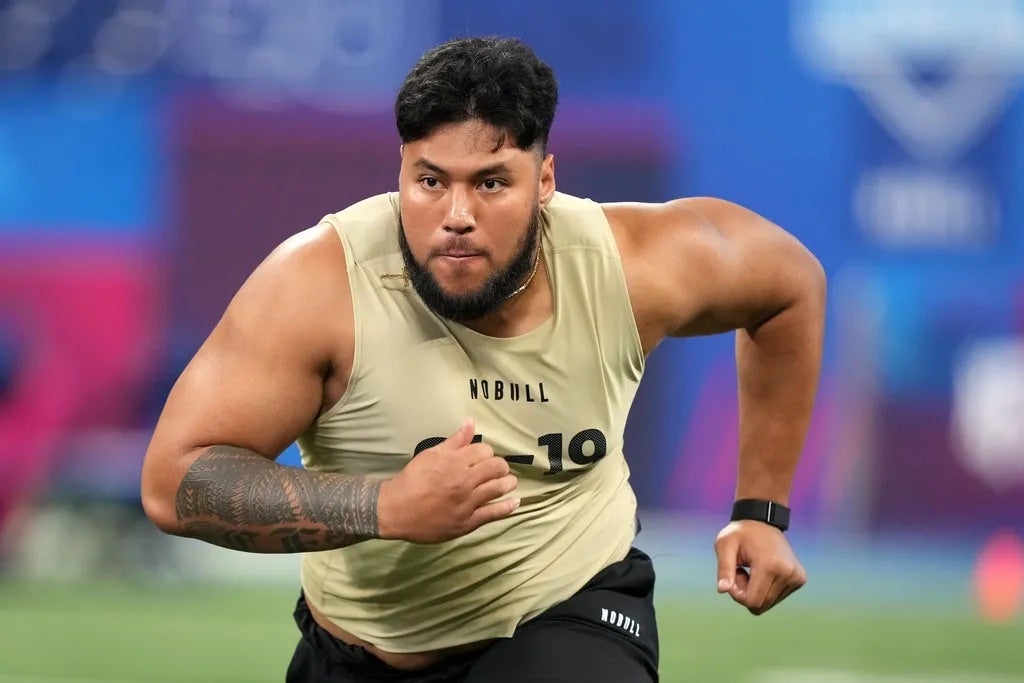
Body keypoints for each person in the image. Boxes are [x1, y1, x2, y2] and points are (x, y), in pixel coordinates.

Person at [141, 36, 824, 683]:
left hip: (568, 609)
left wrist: (761, 511)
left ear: (546, 180)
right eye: (430, 180)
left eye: (492, 184)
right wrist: (386, 504)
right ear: (400, 173)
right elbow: (173, 481)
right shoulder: (320, 284)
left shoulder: (627, 268)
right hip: (355, 649)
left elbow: (789, 285)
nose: (456, 214)